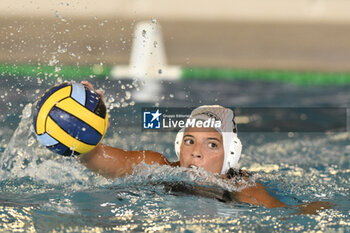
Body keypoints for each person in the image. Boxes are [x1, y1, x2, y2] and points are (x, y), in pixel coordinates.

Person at [78, 81, 331, 213]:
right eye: (190, 141)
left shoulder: (242, 189)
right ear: (179, 144)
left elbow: (291, 215)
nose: (196, 152)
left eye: (211, 144)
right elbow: (95, 156)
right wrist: (85, 125)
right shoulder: (158, 166)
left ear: (230, 155)